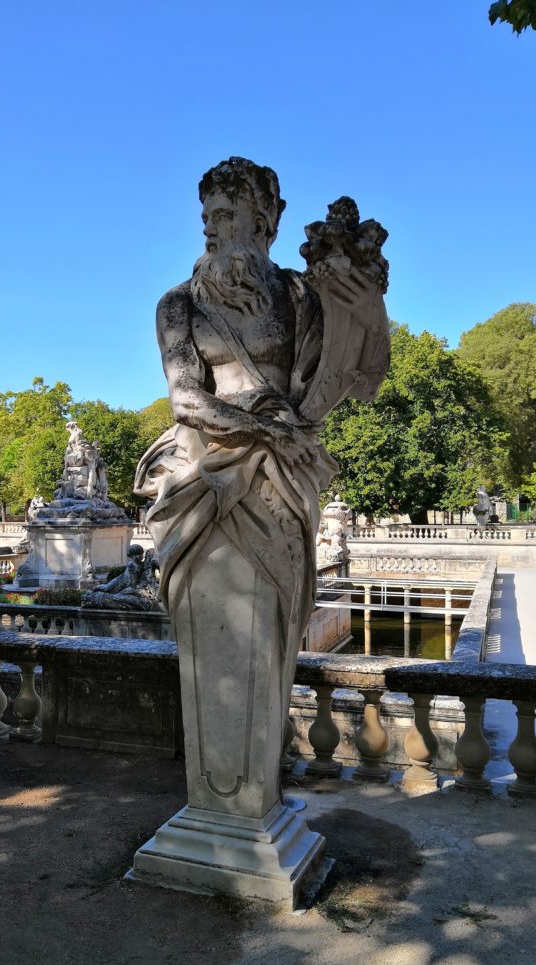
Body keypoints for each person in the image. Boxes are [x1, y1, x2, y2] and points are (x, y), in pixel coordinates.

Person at [134, 157, 388, 819]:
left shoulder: (300, 296)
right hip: (209, 481)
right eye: (207, 216)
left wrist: (368, 305)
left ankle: (253, 807)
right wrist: (269, 430)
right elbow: (186, 400)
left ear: (264, 221)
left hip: (282, 487)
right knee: (214, 643)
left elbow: (358, 374)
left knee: (271, 641)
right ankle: (222, 810)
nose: (211, 227)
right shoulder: (179, 305)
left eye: (226, 215)